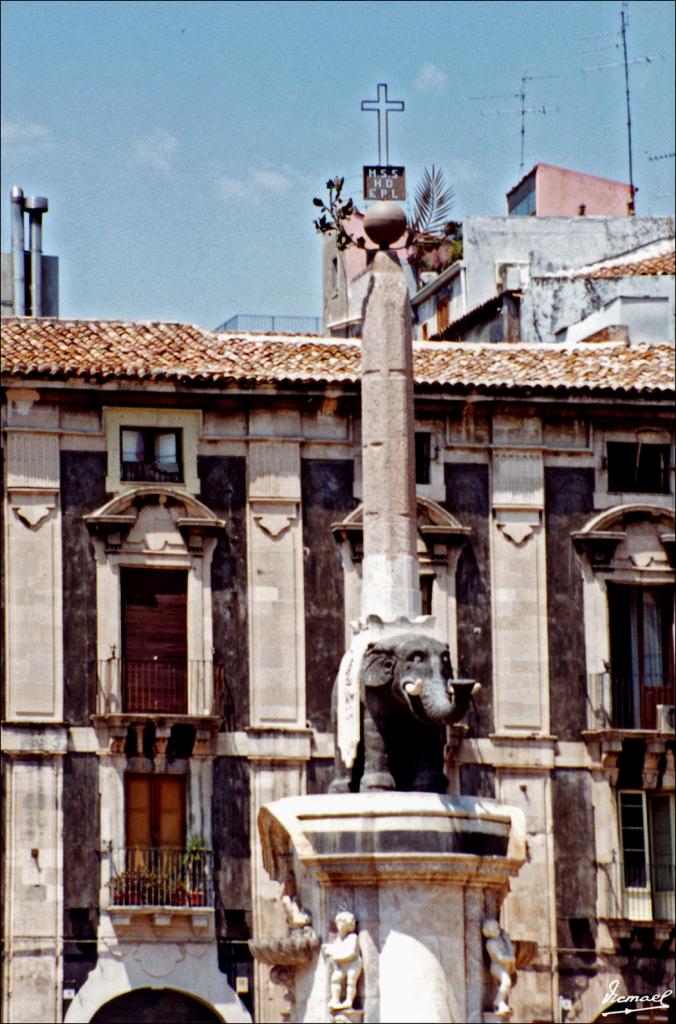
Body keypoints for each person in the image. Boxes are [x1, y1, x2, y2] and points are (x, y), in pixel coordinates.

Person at [322, 910, 362, 1011]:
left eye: (341, 924)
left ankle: (349, 1001)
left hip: (353, 964)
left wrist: (337, 956)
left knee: (351, 981)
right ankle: (335, 999)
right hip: (342, 965)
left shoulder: (353, 937)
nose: (338, 926)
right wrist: (328, 948)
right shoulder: (339, 939)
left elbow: (351, 953)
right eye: (338, 924)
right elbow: (336, 948)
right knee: (335, 979)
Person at [482, 918, 516, 1018]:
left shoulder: (499, 940)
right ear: (490, 931)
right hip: (496, 967)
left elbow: (510, 951)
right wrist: (510, 959)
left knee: (505, 984)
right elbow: (499, 957)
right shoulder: (490, 943)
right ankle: (498, 1002)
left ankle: (500, 1003)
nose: (498, 930)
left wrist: (507, 940)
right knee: (506, 982)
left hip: (504, 966)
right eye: (496, 928)